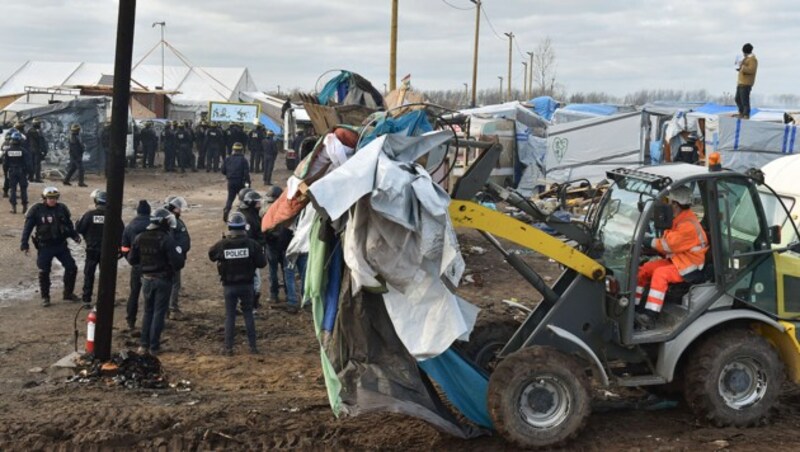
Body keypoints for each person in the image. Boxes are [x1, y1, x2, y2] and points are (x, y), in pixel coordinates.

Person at [635, 186, 708, 329]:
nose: (667, 204)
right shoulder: (678, 220)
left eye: (669, 201)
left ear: (676, 204)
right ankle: (634, 306)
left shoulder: (688, 225)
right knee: (645, 269)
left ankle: (650, 315)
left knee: (660, 274)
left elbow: (668, 245)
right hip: (678, 260)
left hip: (689, 267)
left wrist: (648, 241)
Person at [127, 207, 185, 355]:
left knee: (148, 311)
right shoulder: (166, 239)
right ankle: (154, 346)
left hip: (146, 279)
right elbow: (178, 263)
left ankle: (143, 345)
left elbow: (132, 259)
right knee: (158, 313)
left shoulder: (140, 237)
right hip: (163, 280)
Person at [208, 212, 267, 355]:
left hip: (229, 286)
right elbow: (262, 263)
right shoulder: (252, 244)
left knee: (230, 316)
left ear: (229, 227)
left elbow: (211, 255)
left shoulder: (222, 244)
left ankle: (228, 348)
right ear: (244, 227)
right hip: (247, 285)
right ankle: (253, 348)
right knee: (248, 315)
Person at [20, 187, 81, 307]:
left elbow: (68, 225)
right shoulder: (36, 210)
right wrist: (24, 243)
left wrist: (75, 236)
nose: (52, 200)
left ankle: (68, 293)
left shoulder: (62, 208)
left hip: (61, 245)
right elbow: (27, 229)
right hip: (45, 247)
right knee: (44, 271)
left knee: (71, 267)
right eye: (49, 198)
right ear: (44, 198)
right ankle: (45, 297)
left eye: (54, 198)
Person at [75, 190, 122, 306]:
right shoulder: (114, 216)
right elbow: (121, 233)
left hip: (92, 250)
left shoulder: (89, 215)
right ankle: (107, 300)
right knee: (107, 276)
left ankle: (86, 299)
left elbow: (79, 229)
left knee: (89, 275)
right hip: (108, 252)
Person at [121, 200, 152, 331]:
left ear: (138, 212)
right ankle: (150, 321)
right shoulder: (153, 225)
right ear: (149, 212)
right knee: (151, 295)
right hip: (152, 266)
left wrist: (130, 260)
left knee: (134, 293)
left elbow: (124, 247)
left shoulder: (130, 226)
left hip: (137, 266)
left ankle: (130, 320)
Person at [262, 186, 292, 306]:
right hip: (285, 244)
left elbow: (263, 228)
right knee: (287, 272)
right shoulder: (286, 209)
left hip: (272, 245)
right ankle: (289, 295)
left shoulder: (265, 210)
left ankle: (274, 295)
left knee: (273, 271)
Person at [238, 190, 266, 310]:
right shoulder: (247, 217)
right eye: (257, 202)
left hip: (253, 252)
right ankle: (251, 305)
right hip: (250, 255)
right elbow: (249, 238)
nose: (259, 205)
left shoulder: (252, 215)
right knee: (255, 281)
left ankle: (251, 303)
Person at [165, 195, 191, 320]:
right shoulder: (174, 223)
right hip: (173, 259)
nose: (180, 209)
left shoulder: (165, 220)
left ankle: (166, 309)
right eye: (178, 207)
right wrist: (178, 253)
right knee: (175, 284)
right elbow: (175, 241)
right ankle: (172, 308)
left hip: (168, 258)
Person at [221, 142, 251, 222]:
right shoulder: (243, 160)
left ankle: (226, 210)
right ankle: (243, 215)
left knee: (230, 199)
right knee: (243, 199)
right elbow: (246, 173)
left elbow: (223, 170)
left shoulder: (228, 159)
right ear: (241, 150)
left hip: (231, 182)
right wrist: (248, 183)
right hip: (241, 182)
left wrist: (229, 174)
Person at [4, 131, 32, 214]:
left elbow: (5, 163)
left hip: (12, 171)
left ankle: (13, 207)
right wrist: (30, 173)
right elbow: (28, 163)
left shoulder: (8, 151)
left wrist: (6, 173)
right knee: (23, 189)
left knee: (13, 189)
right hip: (22, 172)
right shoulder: (23, 151)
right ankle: (25, 207)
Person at [735, 43, 758, 120]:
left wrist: (743, 67)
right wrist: (739, 67)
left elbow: (751, 70)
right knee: (737, 98)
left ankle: (746, 114)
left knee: (744, 100)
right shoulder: (746, 59)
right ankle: (741, 112)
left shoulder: (753, 60)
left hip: (746, 83)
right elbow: (742, 68)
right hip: (741, 82)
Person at [26, 118, 47, 183]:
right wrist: (43, 150)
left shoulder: (29, 130)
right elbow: (41, 141)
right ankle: (37, 178)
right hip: (37, 150)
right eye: (39, 123)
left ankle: (30, 177)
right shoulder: (38, 132)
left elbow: (27, 140)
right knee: (37, 165)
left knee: (31, 164)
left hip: (30, 149)